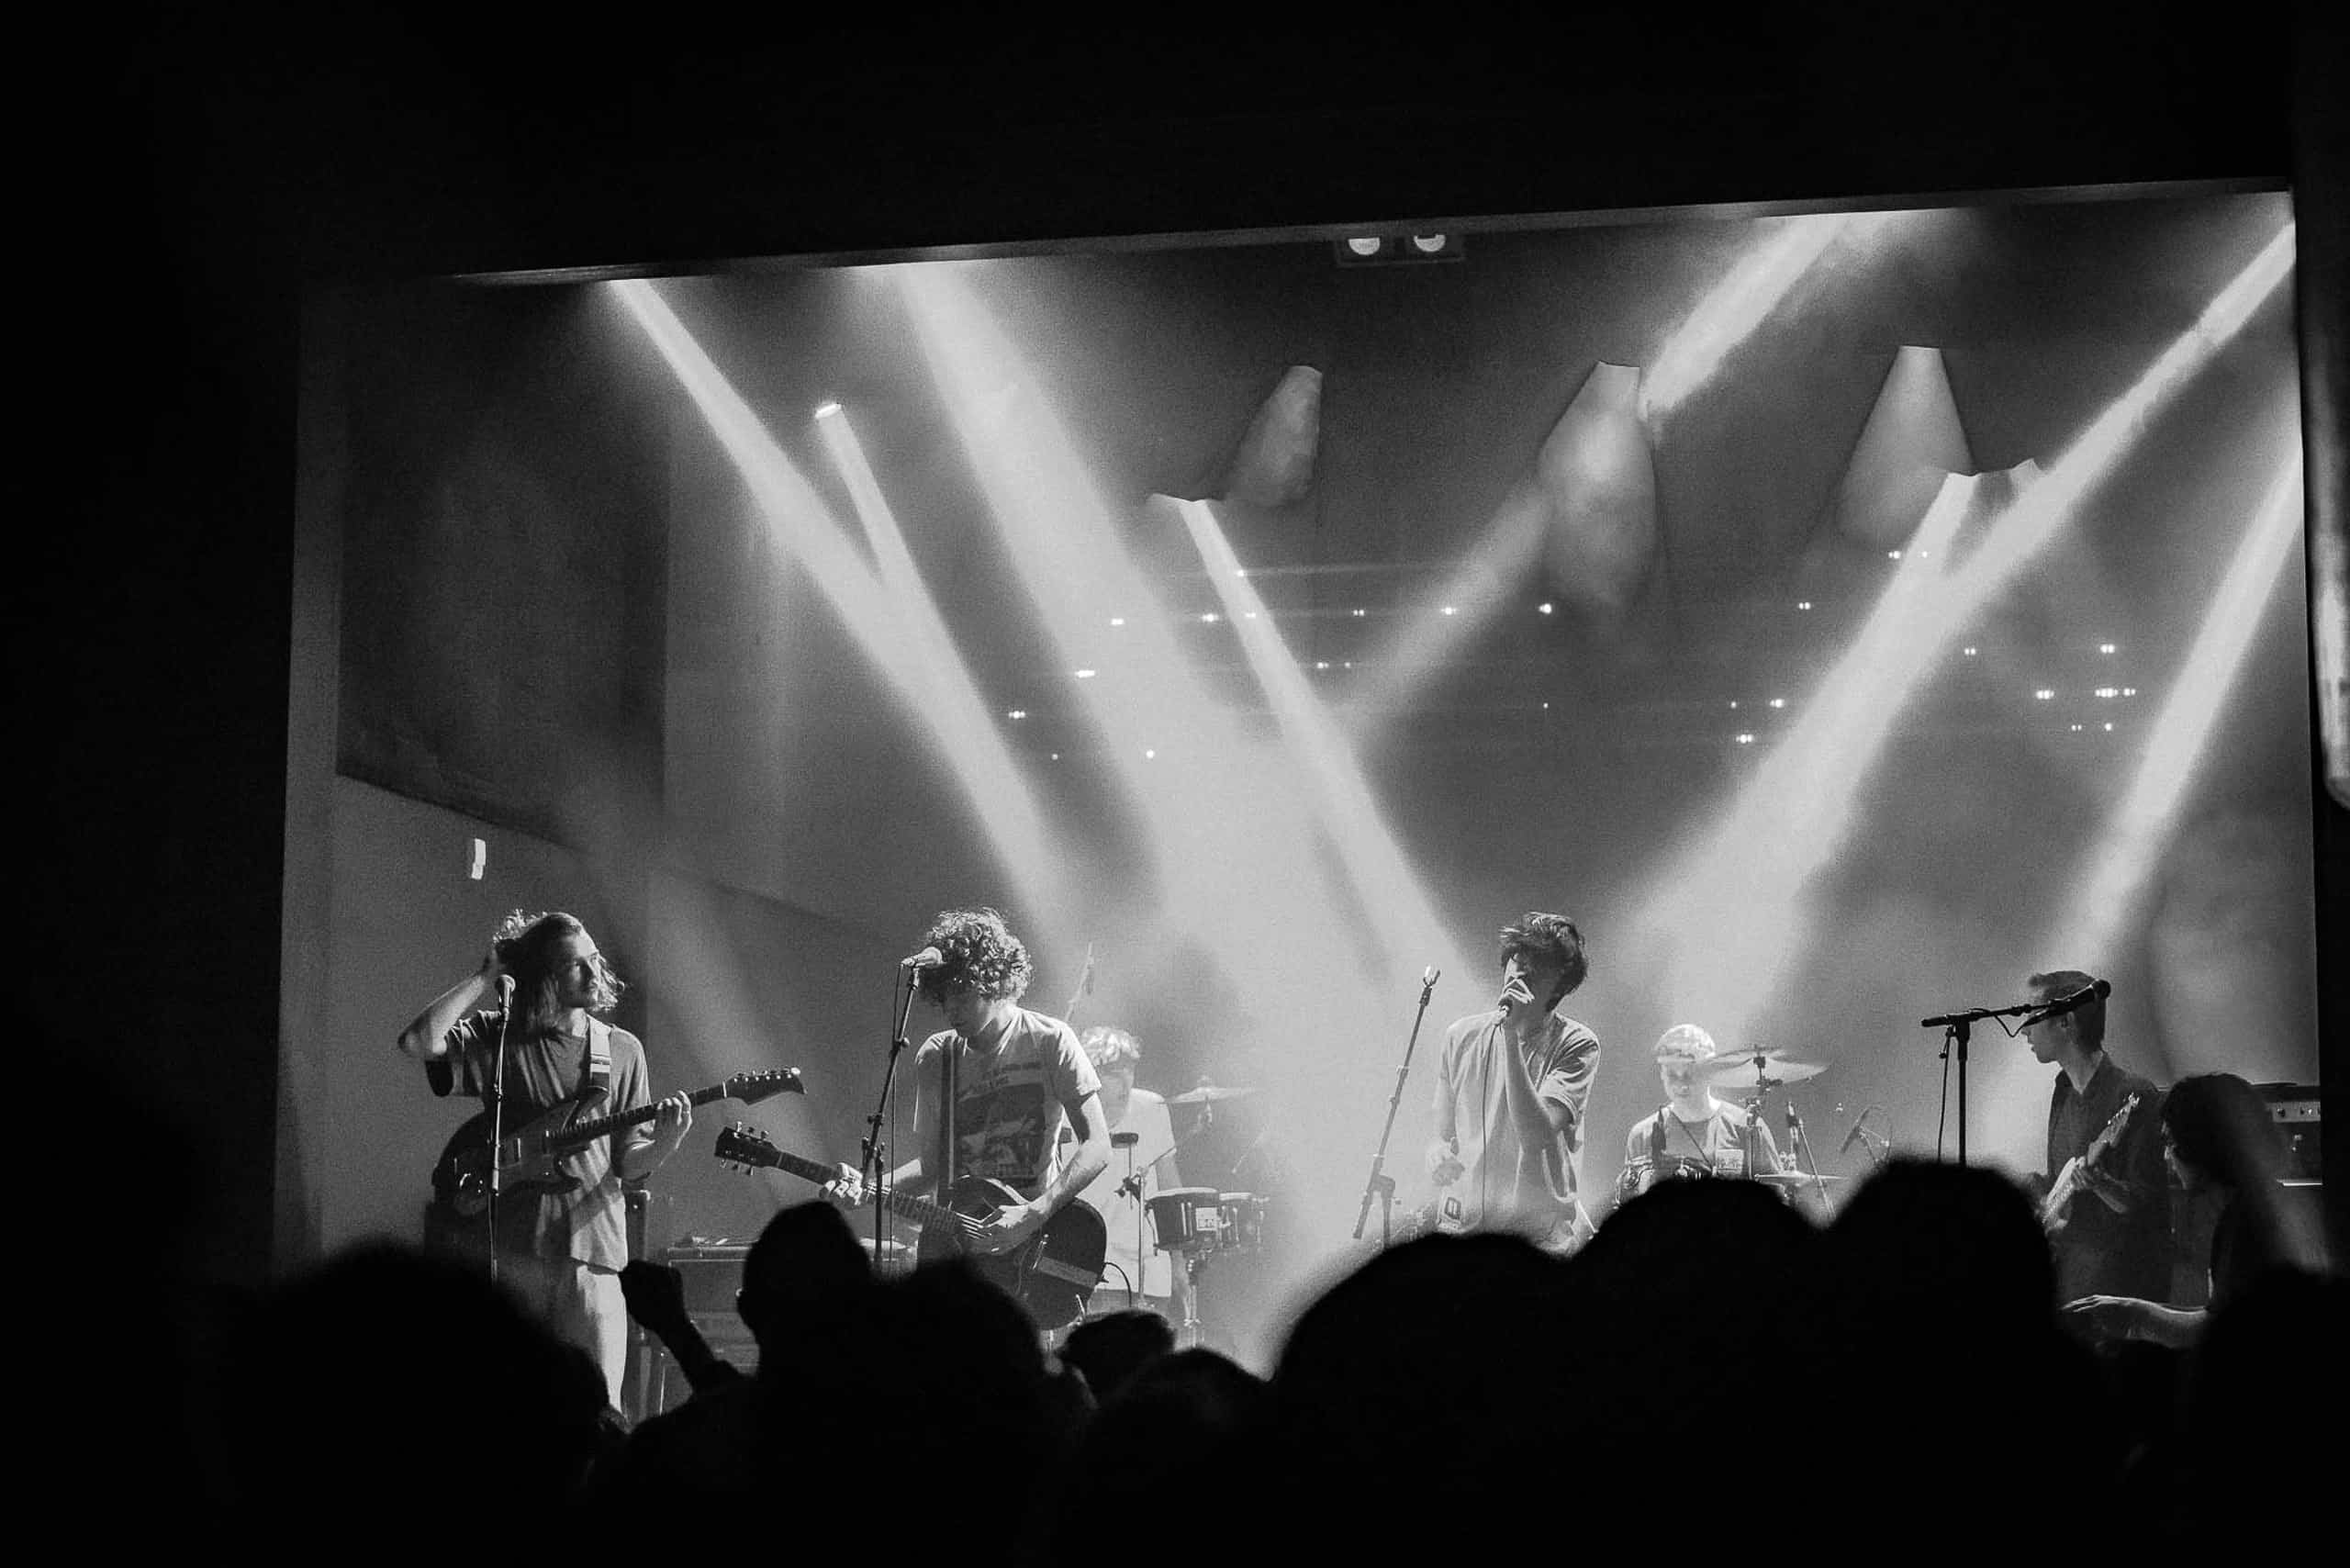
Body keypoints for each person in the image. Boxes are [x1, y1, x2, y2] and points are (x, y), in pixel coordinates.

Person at [397, 909, 691, 1406]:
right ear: (544, 977)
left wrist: (667, 1141)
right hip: (512, 1253)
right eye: (577, 966)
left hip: (593, 1258)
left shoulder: (622, 1050)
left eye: (595, 961)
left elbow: (629, 1162)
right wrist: (485, 975)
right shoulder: (503, 1035)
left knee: (601, 1412)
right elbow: (419, 1043)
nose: (594, 974)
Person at [829, 908, 1111, 1283]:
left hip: (1033, 1248)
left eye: (961, 995)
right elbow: (932, 1166)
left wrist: (1034, 1213)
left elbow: (1098, 1145)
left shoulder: (1050, 1040)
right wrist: (867, 1187)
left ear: (993, 980)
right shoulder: (935, 1057)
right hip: (957, 1250)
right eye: (943, 998)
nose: (950, 1009)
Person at [2064, 1072, 2316, 1347]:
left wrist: (2132, 1316)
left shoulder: (2251, 1224)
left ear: (2202, 1142)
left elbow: (2220, 1331)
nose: (2165, 1156)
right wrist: (2129, 1307)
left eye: (2171, 1142)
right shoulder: (2250, 1210)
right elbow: (2219, 1313)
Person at [1424, 911, 1602, 1251]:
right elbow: (1441, 1130)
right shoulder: (1460, 1036)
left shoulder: (1577, 1044)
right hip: (1462, 1226)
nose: (1519, 970)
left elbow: (1536, 1135)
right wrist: (1436, 1151)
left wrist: (1510, 1035)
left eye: (1535, 966)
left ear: (1561, 984)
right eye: (1516, 958)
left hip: (1535, 1239)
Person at [2019, 969, 2168, 1302]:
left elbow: (2146, 1204)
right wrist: (2036, 1191)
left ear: (2065, 1022)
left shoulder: (2132, 1095)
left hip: (2120, 1285)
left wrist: (2100, 1183)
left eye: (2033, 1016)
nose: (2024, 1030)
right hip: (2071, 1276)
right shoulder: (2062, 1092)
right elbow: (2063, 1186)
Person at [1069, 1025, 1197, 1323]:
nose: (1125, 1080)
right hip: (1089, 1271)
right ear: (1091, 1072)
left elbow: (1169, 1186)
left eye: (1130, 1069)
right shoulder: (1067, 1115)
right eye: (1114, 1072)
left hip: (1149, 1273)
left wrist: (1178, 1264)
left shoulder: (1152, 1107)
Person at [1620, 1024, 1783, 1195]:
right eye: (1672, 1075)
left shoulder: (1746, 1127)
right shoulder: (1642, 1135)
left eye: (1689, 1073)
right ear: (1661, 1073)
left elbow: (1776, 1200)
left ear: (1709, 1072)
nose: (1681, 1084)